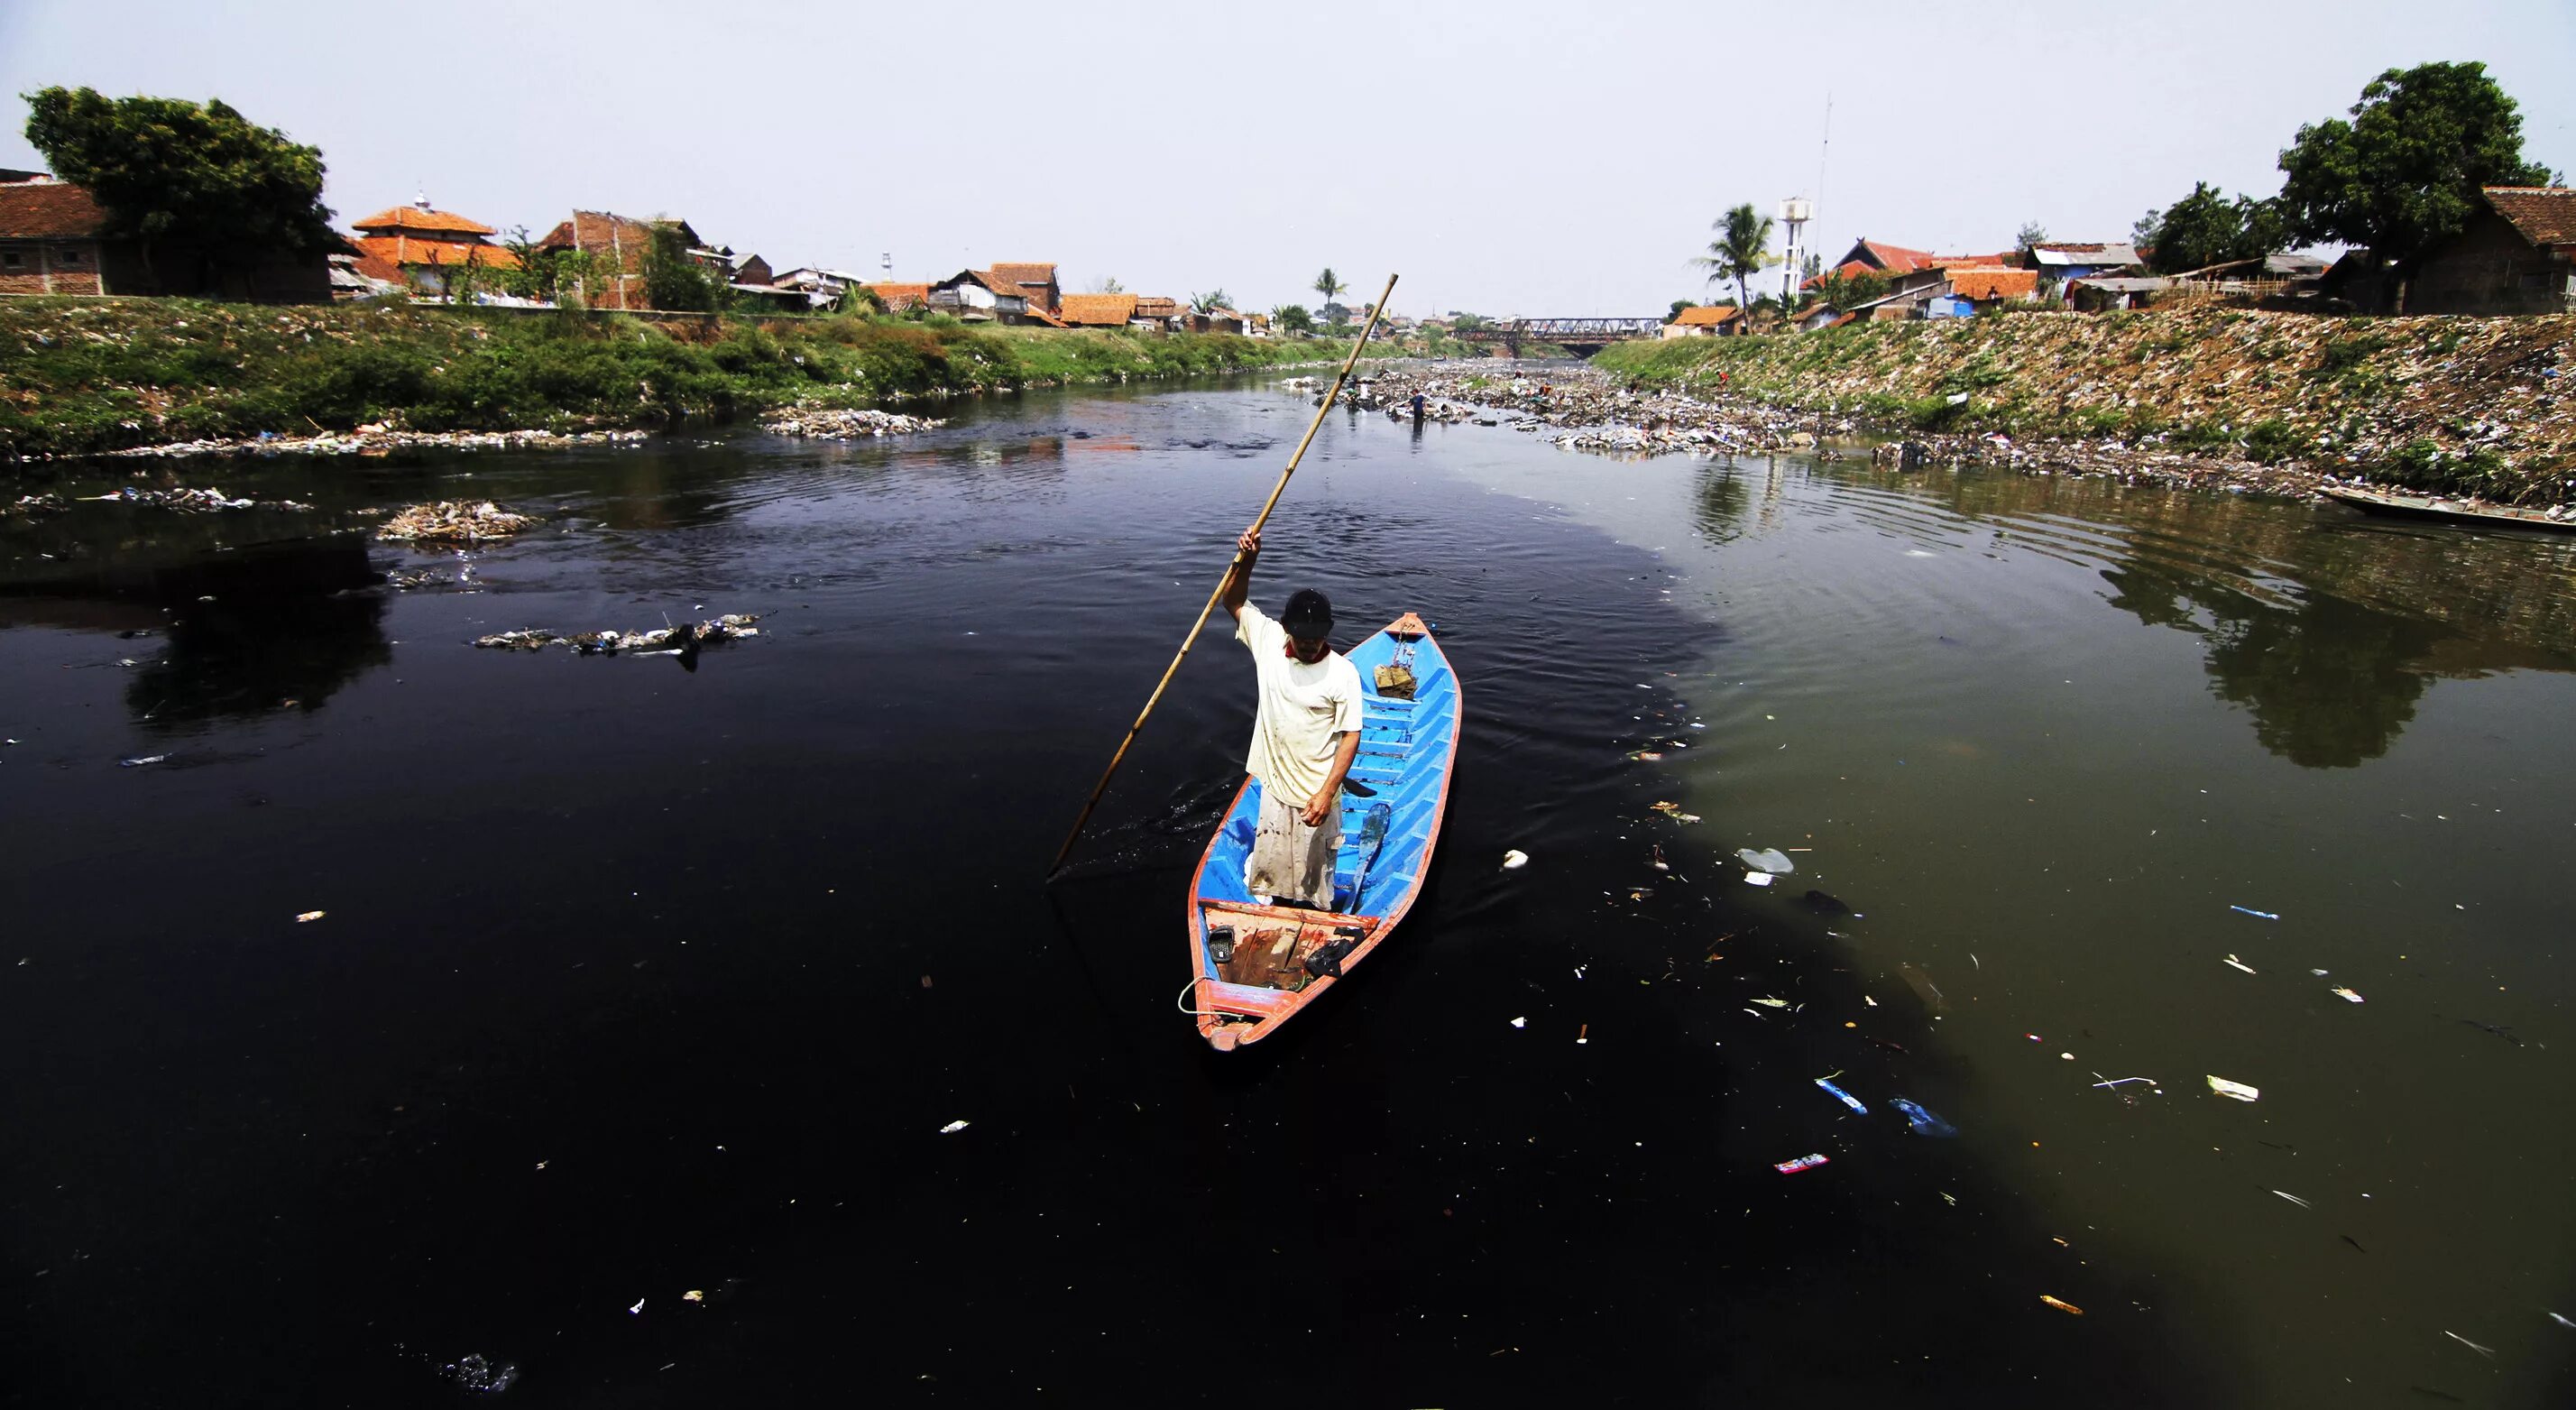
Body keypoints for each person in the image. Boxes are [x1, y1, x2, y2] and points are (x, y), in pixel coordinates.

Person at [1219, 524, 1363, 909]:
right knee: (1271, 871)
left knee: (1317, 881)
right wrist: (1248, 558)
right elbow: (1232, 601)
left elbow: (1350, 735)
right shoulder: (1268, 640)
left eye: (1316, 637)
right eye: (1301, 637)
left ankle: (1316, 908)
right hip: (1275, 787)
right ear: (1287, 630)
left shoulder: (1343, 673)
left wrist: (1328, 792)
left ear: (1327, 633)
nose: (1309, 644)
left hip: (1318, 793)